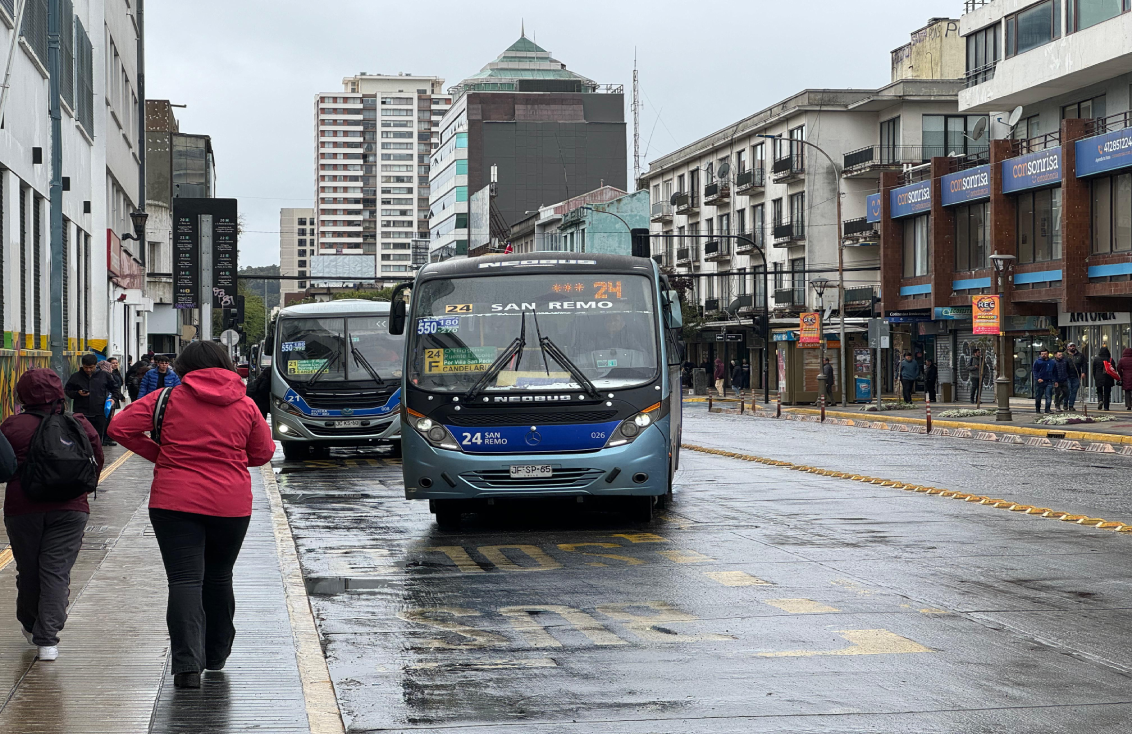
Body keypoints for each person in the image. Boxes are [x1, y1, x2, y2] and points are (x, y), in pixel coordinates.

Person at [109, 341, 274, 689]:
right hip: (230, 504)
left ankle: (186, 665)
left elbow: (118, 428)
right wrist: (226, 462)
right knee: (218, 576)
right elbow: (262, 453)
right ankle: (215, 655)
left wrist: (161, 455)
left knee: (184, 580)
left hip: (173, 501)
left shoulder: (165, 399)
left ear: (183, 367)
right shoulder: (245, 404)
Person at [2, 369, 104, 662]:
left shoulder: (11, 426)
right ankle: (48, 641)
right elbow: (95, 462)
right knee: (56, 571)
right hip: (71, 509)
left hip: (23, 509)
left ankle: (31, 623)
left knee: (29, 569)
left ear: (21, 395)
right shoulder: (80, 424)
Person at [64, 354, 120, 446]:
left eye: (91, 367)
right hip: (81, 413)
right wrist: (78, 393)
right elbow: (67, 390)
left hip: (99, 412)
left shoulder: (105, 375)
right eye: (86, 367)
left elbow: (115, 389)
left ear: (95, 365)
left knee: (97, 440)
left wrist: (113, 399)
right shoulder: (76, 377)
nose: (88, 370)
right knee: (82, 439)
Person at [1033, 348, 1056, 414]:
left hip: (1049, 381)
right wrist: (1038, 378)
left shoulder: (1052, 362)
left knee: (1048, 396)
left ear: (1048, 354)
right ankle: (1038, 409)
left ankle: (1047, 409)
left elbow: (1055, 372)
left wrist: (1055, 380)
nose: (1044, 355)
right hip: (1040, 381)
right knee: (1038, 396)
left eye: (1045, 354)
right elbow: (1035, 371)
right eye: (1042, 354)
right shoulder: (1037, 362)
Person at [1093, 346, 1116, 411]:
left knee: (1099, 390)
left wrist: (1095, 377)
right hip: (1108, 377)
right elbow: (1113, 369)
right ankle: (1106, 407)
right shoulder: (1110, 359)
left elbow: (1094, 369)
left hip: (1099, 376)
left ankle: (1100, 400)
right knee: (1107, 392)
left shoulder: (1096, 359)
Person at [1065, 343, 1086, 412]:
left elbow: (1084, 364)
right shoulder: (1065, 355)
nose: (1072, 347)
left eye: (1074, 346)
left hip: (1076, 375)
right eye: (1071, 346)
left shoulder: (1080, 355)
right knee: (1068, 390)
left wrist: (1083, 372)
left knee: (1074, 391)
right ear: (1068, 347)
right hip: (1067, 376)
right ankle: (1065, 404)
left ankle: (1071, 405)